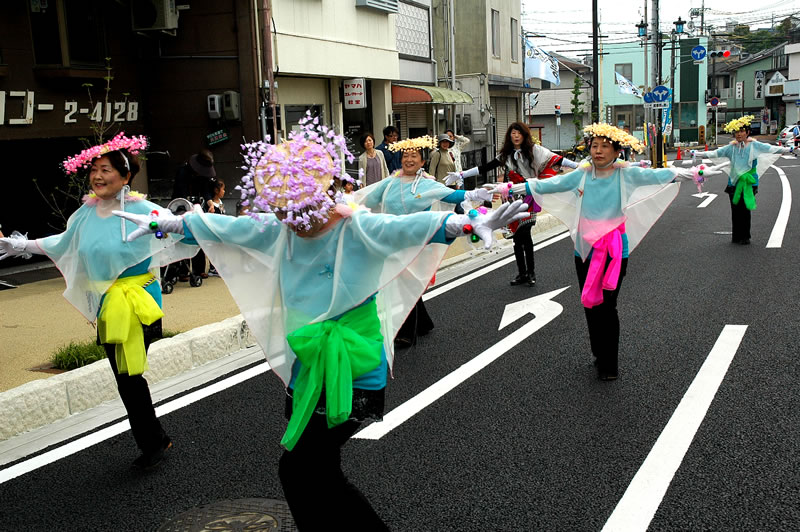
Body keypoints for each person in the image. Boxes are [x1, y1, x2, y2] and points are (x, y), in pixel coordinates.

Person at [115, 113, 528, 530]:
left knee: (298, 471)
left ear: (327, 193)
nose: (294, 219)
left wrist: (461, 221)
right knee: (318, 472)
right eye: (283, 210)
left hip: (354, 365)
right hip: (309, 365)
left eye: (301, 208)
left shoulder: (357, 227)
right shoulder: (279, 229)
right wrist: (173, 222)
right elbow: (226, 227)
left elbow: (407, 227)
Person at [0, 133, 195, 468]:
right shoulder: (85, 214)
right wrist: (18, 245)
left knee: (129, 378)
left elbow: (183, 231)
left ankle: (153, 444)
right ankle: (156, 438)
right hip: (109, 306)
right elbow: (62, 243)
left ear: (125, 176)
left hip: (139, 304)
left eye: (106, 169)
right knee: (125, 378)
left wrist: (166, 226)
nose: (98, 175)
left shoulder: (142, 209)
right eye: (94, 169)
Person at [510, 123, 724, 381]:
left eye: (605, 146)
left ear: (616, 151)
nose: (598, 150)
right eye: (595, 145)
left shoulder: (627, 174)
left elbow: (662, 175)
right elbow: (550, 185)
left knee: (607, 306)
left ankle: (609, 364)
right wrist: (510, 189)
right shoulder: (582, 173)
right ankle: (599, 352)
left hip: (613, 251)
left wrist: (697, 172)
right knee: (590, 303)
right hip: (584, 250)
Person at [353, 135, 497, 348]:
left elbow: (450, 195)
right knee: (405, 280)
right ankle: (424, 323)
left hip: (418, 240)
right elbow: (367, 199)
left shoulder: (426, 184)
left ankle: (405, 333)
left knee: (405, 282)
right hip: (394, 239)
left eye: (414, 156)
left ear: (422, 162)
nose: (409, 159)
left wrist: (476, 193)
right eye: (406, 155)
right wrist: (346, 204)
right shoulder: (390, 183)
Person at [448, 121, 579, 286]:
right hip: (509, 197)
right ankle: (522, 273)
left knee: (525, 234)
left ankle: (531, 273)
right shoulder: (506, 155)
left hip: (529, 194)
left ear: (524, 135)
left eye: (518, 133)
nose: (515, 136)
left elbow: (557, 159)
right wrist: (462, 174)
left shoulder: (535, 151)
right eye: (513, 133)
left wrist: (579, 167)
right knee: (517, 237)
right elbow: (485, 168)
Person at [691, 115, 793, 245]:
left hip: (749, 182)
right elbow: (715, 153)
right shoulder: (730, 148)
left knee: (745, 209)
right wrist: (697, 153)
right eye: (737, 132)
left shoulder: (754, 145)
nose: (739, 134)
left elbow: (771, 149)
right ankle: (736, 236)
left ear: (747, 132)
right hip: (733, 182)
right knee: (735, 209)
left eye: (742, 131)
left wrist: (787, 149)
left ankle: (745, 236)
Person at [173, 149, 217, 278]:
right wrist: (188, 207)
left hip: (198, 205)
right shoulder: (182, 171)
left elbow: (205, 191)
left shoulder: (203, 176)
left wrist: (210, 203)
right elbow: (180, 192)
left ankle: (199, 269)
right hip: (181, 205)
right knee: (183, 235)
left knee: (199, 235)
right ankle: (183, 270)